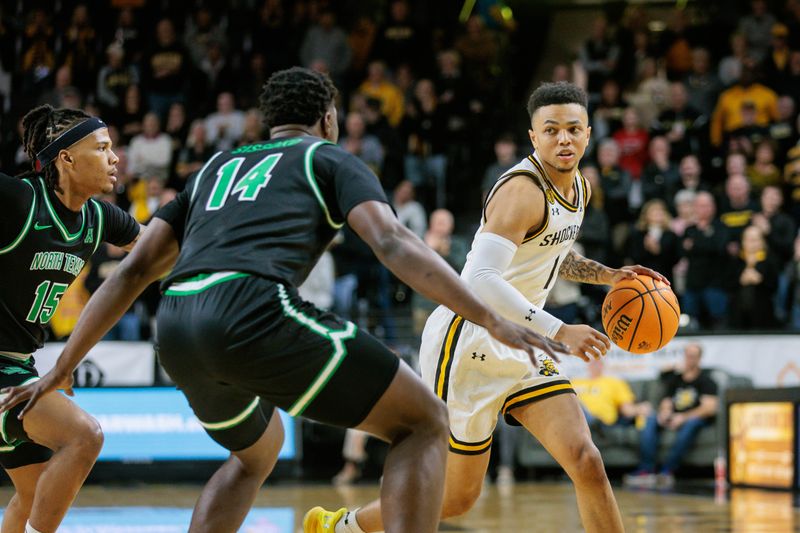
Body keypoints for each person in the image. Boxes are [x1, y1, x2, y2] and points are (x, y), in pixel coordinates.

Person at [0, 68, 564, 533]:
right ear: (327, 118)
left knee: (256, 453)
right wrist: (489, 315)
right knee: (424, 422)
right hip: (250, 307)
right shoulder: (328, 159)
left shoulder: (215, 168)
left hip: (176, 323)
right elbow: (393, 242)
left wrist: (62, 367)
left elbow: (132, 272)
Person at [308, 82, 669, 533]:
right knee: (457, 498)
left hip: (524, 345)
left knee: (586, 460)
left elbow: (553, 256)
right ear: (534, 137)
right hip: (468, 344)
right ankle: (342, 527)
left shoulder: (579, 187)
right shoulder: (521, 191)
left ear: (589, 134)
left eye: (573, 129)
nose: (564, 139)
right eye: (551, 129)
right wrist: (559, 331)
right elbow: (481, 281)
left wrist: (609, 274)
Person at [0, 105, 141, 533]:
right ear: (66, 157)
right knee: (84, 436)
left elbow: (162, 249)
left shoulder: (99, 219)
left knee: (32, 495)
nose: (115, 157)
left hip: (20, 368)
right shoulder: (18, 200)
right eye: (102, 147)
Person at [624, 342, 718, 488]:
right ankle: (647, 470)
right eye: (687, 355)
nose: (689, 359)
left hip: (694, 418)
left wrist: (683, 417)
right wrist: (665, 413)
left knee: (691, 424)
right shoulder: (675, 378)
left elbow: (709, 408)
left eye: (693, 356)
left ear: (699, 358)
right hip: (674, 416)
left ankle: (667, 471)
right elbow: (667, 400)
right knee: (649, 420)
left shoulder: (706, 380)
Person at [573, 359, 651, 430]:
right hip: (576, 420)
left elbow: (626, 409)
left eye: (597, 361)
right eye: (592, 361)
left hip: (599, 422)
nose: (595, 364)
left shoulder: (613, 382)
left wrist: (639, 409)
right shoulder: (575, 382)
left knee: (582, 413)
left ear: (603, 364)